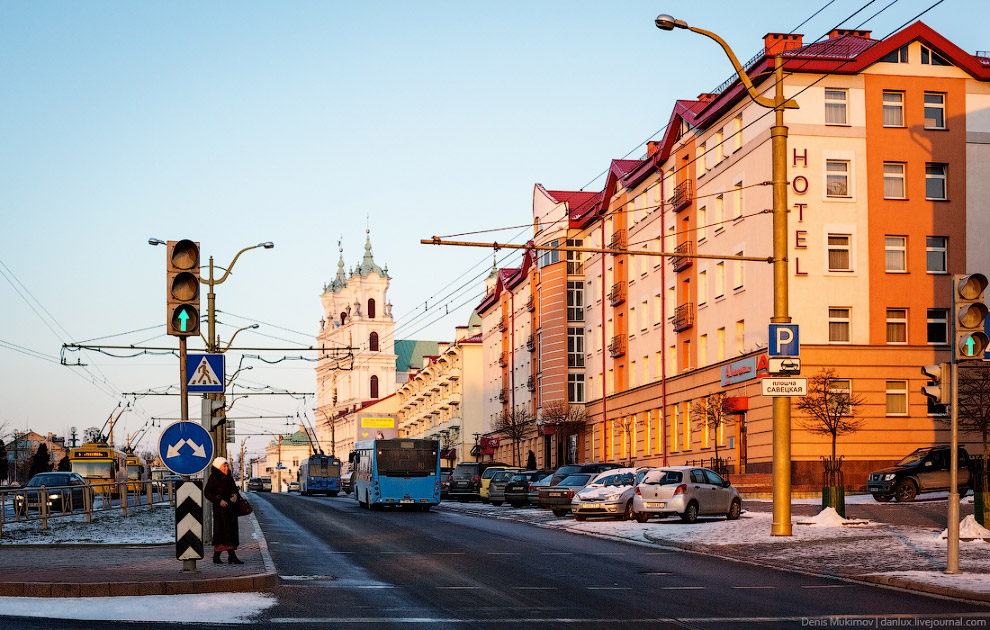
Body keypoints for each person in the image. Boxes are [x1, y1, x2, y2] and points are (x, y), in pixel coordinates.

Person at [204, 457, 243, 564]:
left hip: (231, 510)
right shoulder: (214, 477)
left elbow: (235, 489)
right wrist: (218, 500)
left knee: (228, 533)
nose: (226, 468)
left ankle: (219, 556)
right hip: (221, 511)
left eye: (226, 466)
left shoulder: (228, 477)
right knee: (223, 532)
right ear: (218, 467)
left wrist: (235, 495)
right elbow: (207, 492)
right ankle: (231, 556)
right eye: (223, 466)